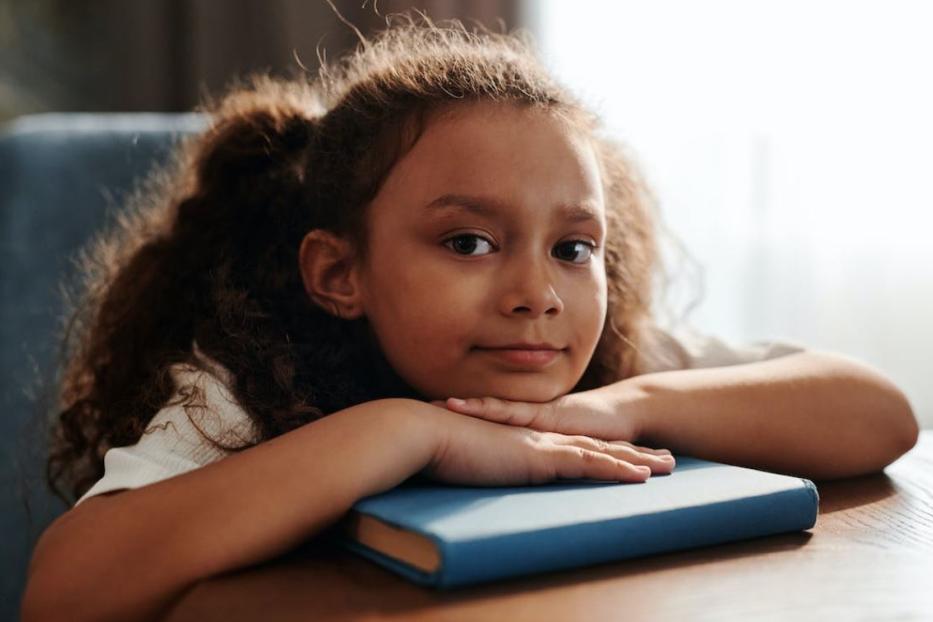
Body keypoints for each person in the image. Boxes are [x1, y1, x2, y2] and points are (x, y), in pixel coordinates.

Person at [22, 16, 918, 622]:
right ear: (340, 272)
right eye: (469, 242)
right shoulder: (253, 381)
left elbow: (879, 412)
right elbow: (63, 591)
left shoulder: (596, 361)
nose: (539, 292)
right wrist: (402, 433)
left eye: (573, 249)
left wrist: (625, 408)